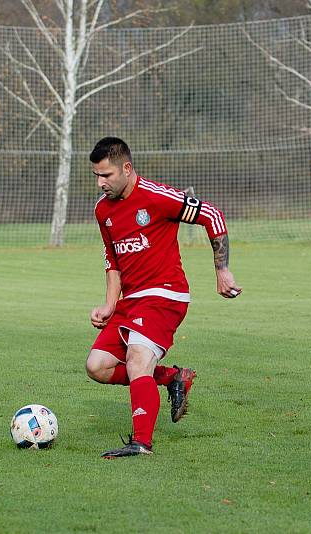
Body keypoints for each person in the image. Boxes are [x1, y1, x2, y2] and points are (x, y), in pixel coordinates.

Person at [85, 137, 241, 458]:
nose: (101, 183)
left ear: (127, 169)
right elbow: (113, 260)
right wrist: (109, 304)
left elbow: (212, 216)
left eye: (107, 175)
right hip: (131, 301)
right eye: (97, 176)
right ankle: (172, 377)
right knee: (97, 366)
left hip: (165, 294)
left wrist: (222, 271)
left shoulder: (156, 197)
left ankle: (142, 443)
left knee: (137, 360)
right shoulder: (103, 210)